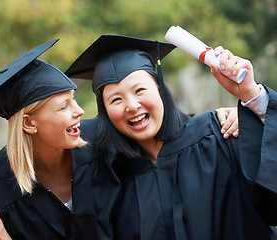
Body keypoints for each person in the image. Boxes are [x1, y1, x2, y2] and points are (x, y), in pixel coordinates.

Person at [65, 34, 277, 239]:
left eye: (139, 90)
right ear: (104, 113)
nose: (131, 106)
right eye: (116, 100)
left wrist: (253, 99)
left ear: (159, 88)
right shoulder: (108, 175)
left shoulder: (219, 133)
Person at [0, 39, 120, 240]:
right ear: (29, 123)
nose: (80, 111)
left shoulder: (103, 142)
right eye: (63, 106)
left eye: (73, 99)